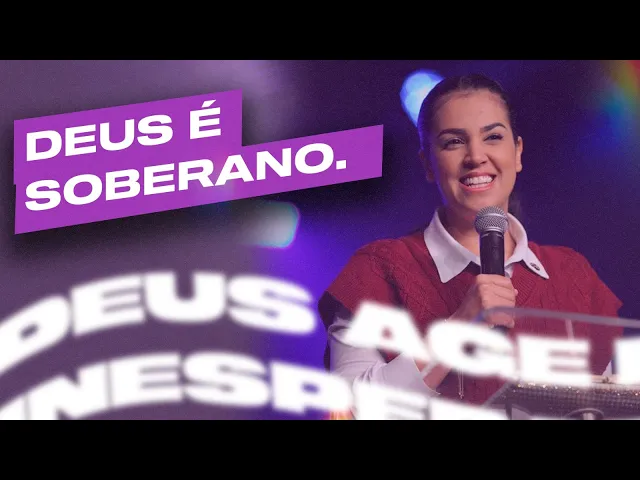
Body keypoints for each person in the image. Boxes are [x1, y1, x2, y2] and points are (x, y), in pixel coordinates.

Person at [318, 73, 624, 413]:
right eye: (453, 142)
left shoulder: (571, 273)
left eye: (492, 137)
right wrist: (459, 327)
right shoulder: (379, 270)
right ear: (428, 164)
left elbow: (608, 408)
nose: (476, 156)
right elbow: (345, 410)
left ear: (517, 152)